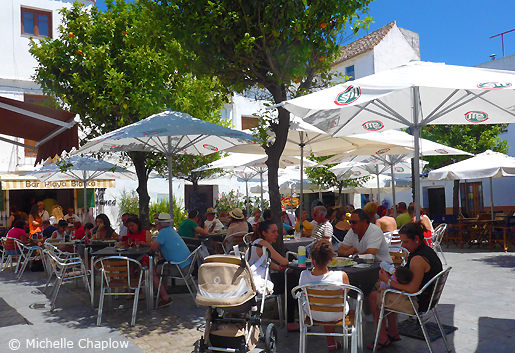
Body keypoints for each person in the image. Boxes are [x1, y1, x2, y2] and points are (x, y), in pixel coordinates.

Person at [368, 222, 443, 350]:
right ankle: (393, 332)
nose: (403, 245)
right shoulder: (427, 251)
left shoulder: (418, 259)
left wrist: (388, 280)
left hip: (417, 302)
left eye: (406, 242)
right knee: (386, 291)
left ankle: (382, 338)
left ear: (417, 239)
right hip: (430, 299)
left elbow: (412, 289)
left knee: (374, 296)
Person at [299, 240, 350, 351]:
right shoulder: (341, 276)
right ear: (330, 259)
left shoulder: (304, 276)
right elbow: (347, 292)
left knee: (326, 303)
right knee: (339, 302)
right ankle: (334, 341)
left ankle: (331, 342)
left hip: (313, 314)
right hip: (337, 314)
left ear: (312, 258)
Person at [249, 220, 299, 332]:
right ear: (264, 233)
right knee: (292, 281)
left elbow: (268, 264)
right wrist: (291, 258)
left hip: (252, 281)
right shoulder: (264, 244)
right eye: (274, 231)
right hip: (260, 284)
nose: (277, 234)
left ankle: (293, 319)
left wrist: (280, 268)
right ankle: (291, 321)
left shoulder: (255, 243)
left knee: (290, 278)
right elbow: (283, 261)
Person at [151, 213, 191, 308]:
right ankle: (162, 293)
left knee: (152, 271)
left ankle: (165, 298)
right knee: (162, 267)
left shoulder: (163, 232)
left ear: (159, 224)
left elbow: (153, 248)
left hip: (180, 268)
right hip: (187, 265)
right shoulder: (171, 231)